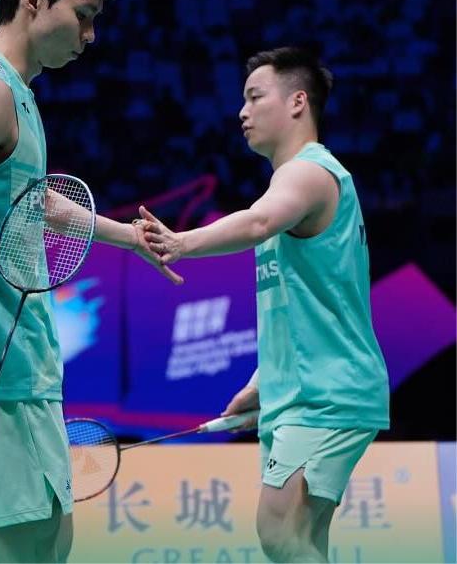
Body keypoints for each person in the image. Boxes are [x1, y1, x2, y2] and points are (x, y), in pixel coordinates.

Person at [0, 0, 182, 564]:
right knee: (27, 550)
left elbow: (34, 202)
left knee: (52, 543)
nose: (90, 36)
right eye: (83, 15)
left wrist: (128, 238)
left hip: (26, 365)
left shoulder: (19, 96)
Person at [138, 47, 389, 563]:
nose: (242, 112)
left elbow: (256, 222)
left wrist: (181, 242)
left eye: (255, 97)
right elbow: (303, 310)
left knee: (278, 533)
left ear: (298, 102)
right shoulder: (294, 184)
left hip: (326, 394)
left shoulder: (310, 173)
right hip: (305, 390)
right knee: (304, 540)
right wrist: (262, 383)